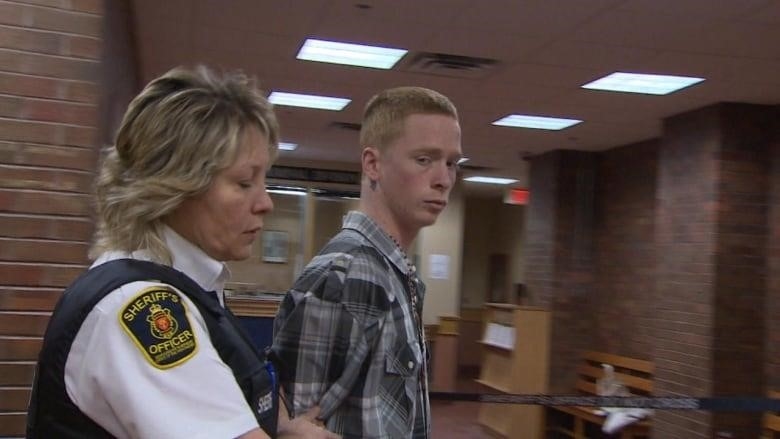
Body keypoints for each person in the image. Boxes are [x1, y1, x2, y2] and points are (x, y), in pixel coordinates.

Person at [26, 66, 337, 439]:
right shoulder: (140, 306)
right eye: (243, 182)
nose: (266, 203)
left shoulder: (189, 287)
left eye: (263, 181)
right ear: (175, 184)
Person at [272, 86, 462, 438]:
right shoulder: (349, 274)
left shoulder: (393, 270)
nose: (443, 179)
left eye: (451, 163)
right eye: (424, 160)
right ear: (373, 164)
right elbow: (300, 423)